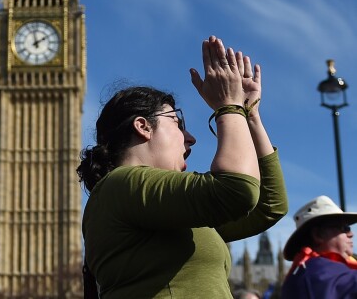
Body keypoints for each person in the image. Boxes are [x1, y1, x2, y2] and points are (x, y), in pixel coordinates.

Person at [77, 36, 288, 298]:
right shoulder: (119, 187)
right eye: (177, 123)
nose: (190, 138)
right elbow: (237, 189)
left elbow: (269, 206)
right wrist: (227, 107)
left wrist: (249, 113)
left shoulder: (162, 209)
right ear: (143, 126)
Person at [281, 195, 357, 298]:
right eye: (345, 228)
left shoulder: (295, 277)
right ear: (318, 235)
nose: (351, 234)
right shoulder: (327, 274)